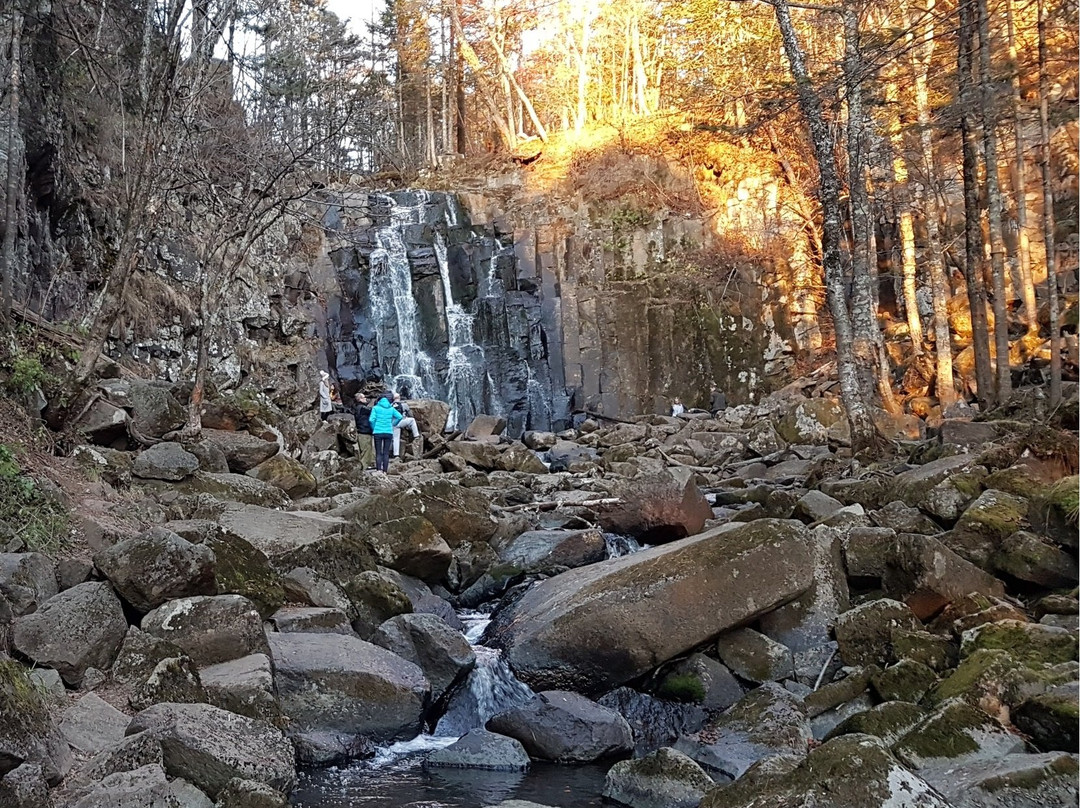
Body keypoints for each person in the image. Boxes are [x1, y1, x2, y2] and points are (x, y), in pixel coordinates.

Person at [369, 391, 402, 472]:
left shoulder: (375, 408)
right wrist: (393, 424)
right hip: (388, 432)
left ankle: (379, 470)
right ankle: (385, 471)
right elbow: (400, 417)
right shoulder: (391, 408)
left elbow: (371, 420)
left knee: (378, 452)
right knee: (386, 453)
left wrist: (374, 428)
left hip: (377, 432)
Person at [391, 392, 421, 458]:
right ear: (399, 398)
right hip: (401, 422)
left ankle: (396, 454)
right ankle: (416, 435)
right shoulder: (403, 404)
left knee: (396, 439)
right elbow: (410, 414)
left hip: (393, 424)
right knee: (412, 420)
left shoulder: (390, 405)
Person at [353, 393, 375, 469]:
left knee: (368, 449)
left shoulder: (358, 407)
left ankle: (368, 465)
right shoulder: (361, 408)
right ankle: (363, 467)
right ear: (360, 399)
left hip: (364, 431)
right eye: (364, 397)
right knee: (366, 450)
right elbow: (372, 410)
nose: (366, 398)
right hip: (363, 431)